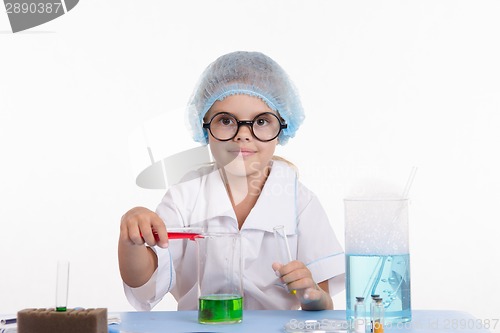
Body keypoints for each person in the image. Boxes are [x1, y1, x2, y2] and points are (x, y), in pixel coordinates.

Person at [118, 51, 345, 311]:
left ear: (282, 127)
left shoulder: (300, 202)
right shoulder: (185, 197)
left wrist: (311, 294)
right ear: (204, 127)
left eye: (261, 121)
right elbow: (144, 281)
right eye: (226, 121)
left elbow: (323, 302)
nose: (243, 135)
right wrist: (132, 237)